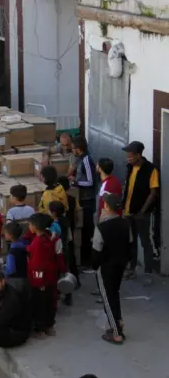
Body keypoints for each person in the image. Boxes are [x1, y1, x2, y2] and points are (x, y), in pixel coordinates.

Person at [92, 193, 131, 345]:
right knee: (114, 294)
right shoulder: (125, 223)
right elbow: (130, 246)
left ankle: (116, 333)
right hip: (120, 265)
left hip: (105, 267)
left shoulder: (101, 227)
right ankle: (118, 323)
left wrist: (95, 267)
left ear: (106, 207)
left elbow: (96, 251)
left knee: (107, 299)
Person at [122, 141, 159, 283]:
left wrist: (143, 211)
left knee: (145, 242)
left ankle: (148, 272)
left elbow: (153, 192)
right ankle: (131, 269)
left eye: (130, 156)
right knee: (130, 242)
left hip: (142, 214)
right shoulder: (130, 167)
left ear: (138, 155)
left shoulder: (151, 170)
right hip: (128, 211)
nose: (128, 158)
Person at [27, 213, 59, 338]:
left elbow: (37, 265)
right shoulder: (48, 238)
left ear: (34, 227)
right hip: (50, 277)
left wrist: (39, 282)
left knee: (39, 305)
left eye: (29, 224)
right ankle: (49, 326)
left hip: (39, 280)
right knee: (49, 303)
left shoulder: (37, 244)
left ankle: (40, 329)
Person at [71, 135, 98, 268]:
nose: (72, 150)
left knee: (87, 230)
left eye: (73, 148)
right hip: (83, 199)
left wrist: (75, 182)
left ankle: (89, 261)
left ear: (78, 148)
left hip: (87, 200)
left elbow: (91, 181)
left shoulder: (87, 160)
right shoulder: (81, 159)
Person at [48, 200, 71, 307]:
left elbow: (52, 239)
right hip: (66, 250)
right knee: (65, 273)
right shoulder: (66, 221)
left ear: (53, 213)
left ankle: (56, 294)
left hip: (57, 252)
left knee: (57, 274)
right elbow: (70, 237)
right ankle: (68, 296)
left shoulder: (54, 225)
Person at [3, 222, 28, 291]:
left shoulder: (12, 252)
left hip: (15, 281)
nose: (4, 234)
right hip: (26, 278)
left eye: (5, 233)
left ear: (10, 235)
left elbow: (11, 270)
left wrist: (5, 268)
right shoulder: (24, 245)